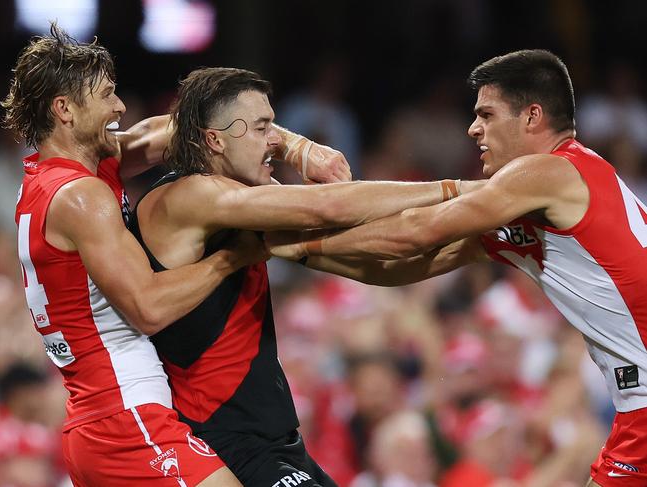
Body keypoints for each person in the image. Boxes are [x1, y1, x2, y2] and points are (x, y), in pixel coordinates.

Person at [268, 49, 647, 487]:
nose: (473, 129)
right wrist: (301, 250)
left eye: (486, 114)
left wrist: (292, 239)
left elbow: (416, 231)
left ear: (532, 116)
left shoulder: (551, 171)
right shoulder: (543, 203)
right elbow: (402, 266)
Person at [128, 66, 472, 487]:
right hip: (222, 442)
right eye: (260, 127)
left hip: (273, 441)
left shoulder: (244, 202)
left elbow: (376, 256)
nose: (276, 139)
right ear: (214, 140)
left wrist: (477, 245)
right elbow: (325, 206)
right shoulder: (189, 196)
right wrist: (463, 191)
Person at [2, 24, 271, 487]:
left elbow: (174, 130)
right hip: (124, 417)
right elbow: (147, 308)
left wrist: (298, 147)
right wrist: (232, 257)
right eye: (107, 95)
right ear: (64, 109)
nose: (120, 106)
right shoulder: (80, 194)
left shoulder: (50, 179)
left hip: (95, 419)